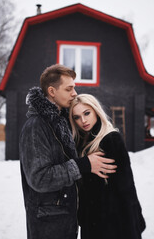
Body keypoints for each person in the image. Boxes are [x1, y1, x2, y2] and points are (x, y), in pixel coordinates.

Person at [19, 64, 117, 239]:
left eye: (75, 88)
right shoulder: (36, 126)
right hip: (48, 227)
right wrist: (83, 165)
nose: (74, 93)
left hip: (65, 221)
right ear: (52, 91)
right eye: (69, 88)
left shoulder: (62, 122)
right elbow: (39, 179)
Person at [69, 94, 146, 239]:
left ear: (96, 111)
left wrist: (131, 231)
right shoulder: (81, 142)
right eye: (76, 117)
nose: (83, 120)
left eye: (87, 113)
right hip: (92, 224)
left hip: (114, 226)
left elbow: (126, 189)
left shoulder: (110, 140)